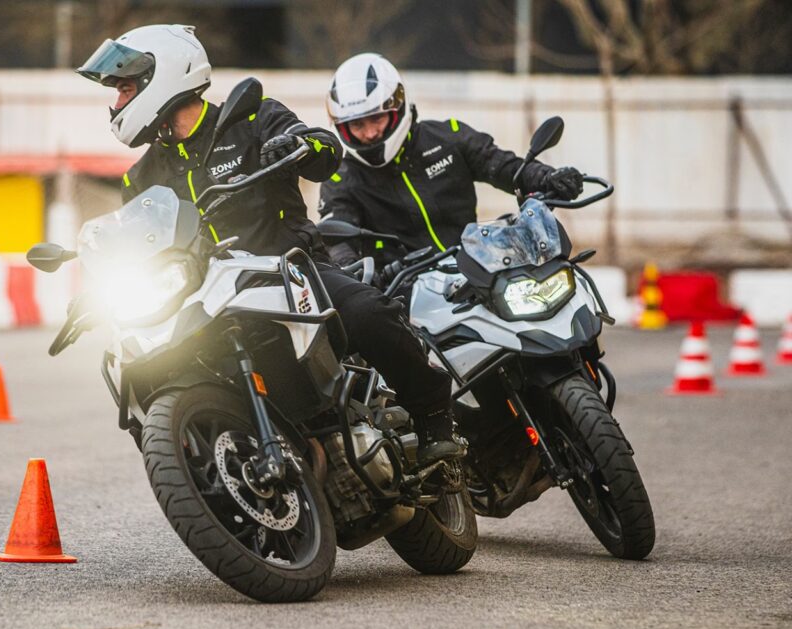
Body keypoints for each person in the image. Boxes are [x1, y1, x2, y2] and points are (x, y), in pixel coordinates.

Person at [77, 25, 465, 465]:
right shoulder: (140, 178)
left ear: (162, 75)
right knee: (137, 364)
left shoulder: (252, 119)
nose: (118, 104)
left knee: (366, 312)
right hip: (208, 294)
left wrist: (302, 144)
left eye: (125, 89)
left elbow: (325, 151)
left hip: (291, 270)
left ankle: (434, 412)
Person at [320, 53, 584, 268]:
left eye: (376, 119)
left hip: (476, 272)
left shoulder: (447, 138)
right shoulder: (341, 177)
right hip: (400, 297)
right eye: (357, 124)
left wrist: (547, 178)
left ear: (396, 108)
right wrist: (351, 269)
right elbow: (336, 237)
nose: (369, 133)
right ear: (343, 128)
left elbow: (504, 166)